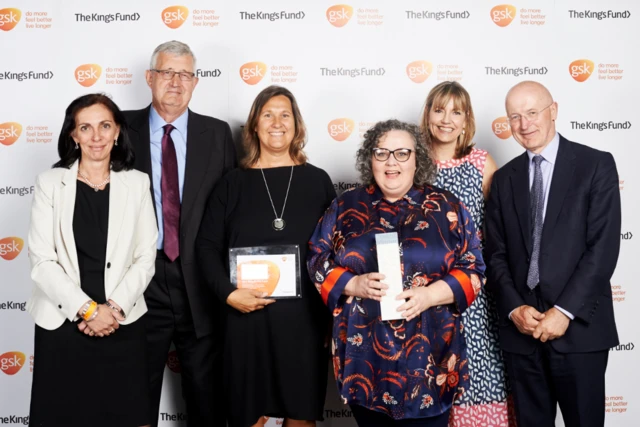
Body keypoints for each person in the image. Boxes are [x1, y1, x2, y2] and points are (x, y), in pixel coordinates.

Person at [308, 119, 485, 427]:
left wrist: (430, 295)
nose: (392, 162)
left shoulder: (447, 206)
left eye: (402, 153)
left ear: (418, 158)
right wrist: (354, 283)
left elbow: (474, 267)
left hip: (433, 361)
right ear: (369, 159)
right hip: (366, 364)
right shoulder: (345, 207)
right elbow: (316, 258)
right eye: (382, 153)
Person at [196, 85, 335, 427]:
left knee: (300, 416)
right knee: (248, 416)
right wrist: (229, 294)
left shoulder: (318, 181)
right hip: (245, 318)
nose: (277, 122)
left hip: (304, 320)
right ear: (254, 126)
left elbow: (336, 251)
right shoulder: (232, 183)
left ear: (297, 125)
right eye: (267, 114)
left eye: (285, 114)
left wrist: (335, 318)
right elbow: (206, 247)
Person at [485, 81, 621, 427]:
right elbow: (495, 254)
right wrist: (515, 308)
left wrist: (564, 312)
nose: (524, 124)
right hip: (522, 335)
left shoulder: (595, 165)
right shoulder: (503, 180)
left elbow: (602, 249)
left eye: (532, 113)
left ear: (553, 111)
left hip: (579, 332)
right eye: (514, 116)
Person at [123, 40, 237, 426]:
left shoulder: (218, 134)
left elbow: (230, 212)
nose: (176, 81)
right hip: (139, 278)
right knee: (133, 397)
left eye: (185, 73)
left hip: (200, 282)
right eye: (167, 72)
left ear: (196, 81)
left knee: (207, 402)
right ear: (149, 77)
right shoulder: (119, 128)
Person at [27, 93, 158, 427]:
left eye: (104, 126)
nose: (96, 136)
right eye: (85, 127)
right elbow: (41, 261)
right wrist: (87, 310)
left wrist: (111, 310)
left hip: (122, 321)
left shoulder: (137, 183)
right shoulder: (49, 183)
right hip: (64, 323)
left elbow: (145, 256)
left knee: (129, 417)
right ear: (73, 134)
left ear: (117, 132)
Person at [420, 81, 514, 425]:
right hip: (423, 297)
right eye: (439, 109)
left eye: (456, 112)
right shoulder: (411, 163)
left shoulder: (480, 163)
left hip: (474, 297)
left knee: (479, 371)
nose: (446, 119)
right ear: (427, 113)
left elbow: (503, 231)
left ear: (466, 119)